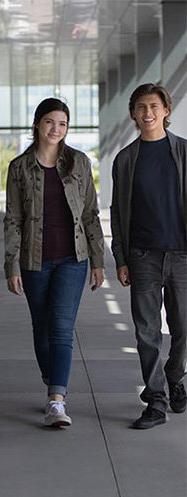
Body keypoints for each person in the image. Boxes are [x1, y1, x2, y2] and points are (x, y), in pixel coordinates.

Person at [4, 98, 105, 427]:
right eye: (50, 122)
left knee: (61, 329)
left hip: (73, 260)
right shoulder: (19, 168)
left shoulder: (79, 162)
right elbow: (13, 220)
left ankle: (56, 400)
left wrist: (98, 260)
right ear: (37, 124)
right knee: (41, 328)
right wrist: (11, 265)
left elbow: (90, 213)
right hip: (34, 261)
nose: (56, 129)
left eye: (62, 124)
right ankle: (53, 378)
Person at [111, 83, 187, 430]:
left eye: (154, 106)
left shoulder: (184, 152)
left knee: (183, 328)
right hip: (142, 255)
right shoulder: (126, 159)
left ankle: (175, 376)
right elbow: (116, 211)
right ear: (133, 113)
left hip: (182, 254)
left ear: (166, 110)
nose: (148, 113)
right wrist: (121, 258)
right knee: (147, 331)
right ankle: (155, 400)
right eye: (141, 107)